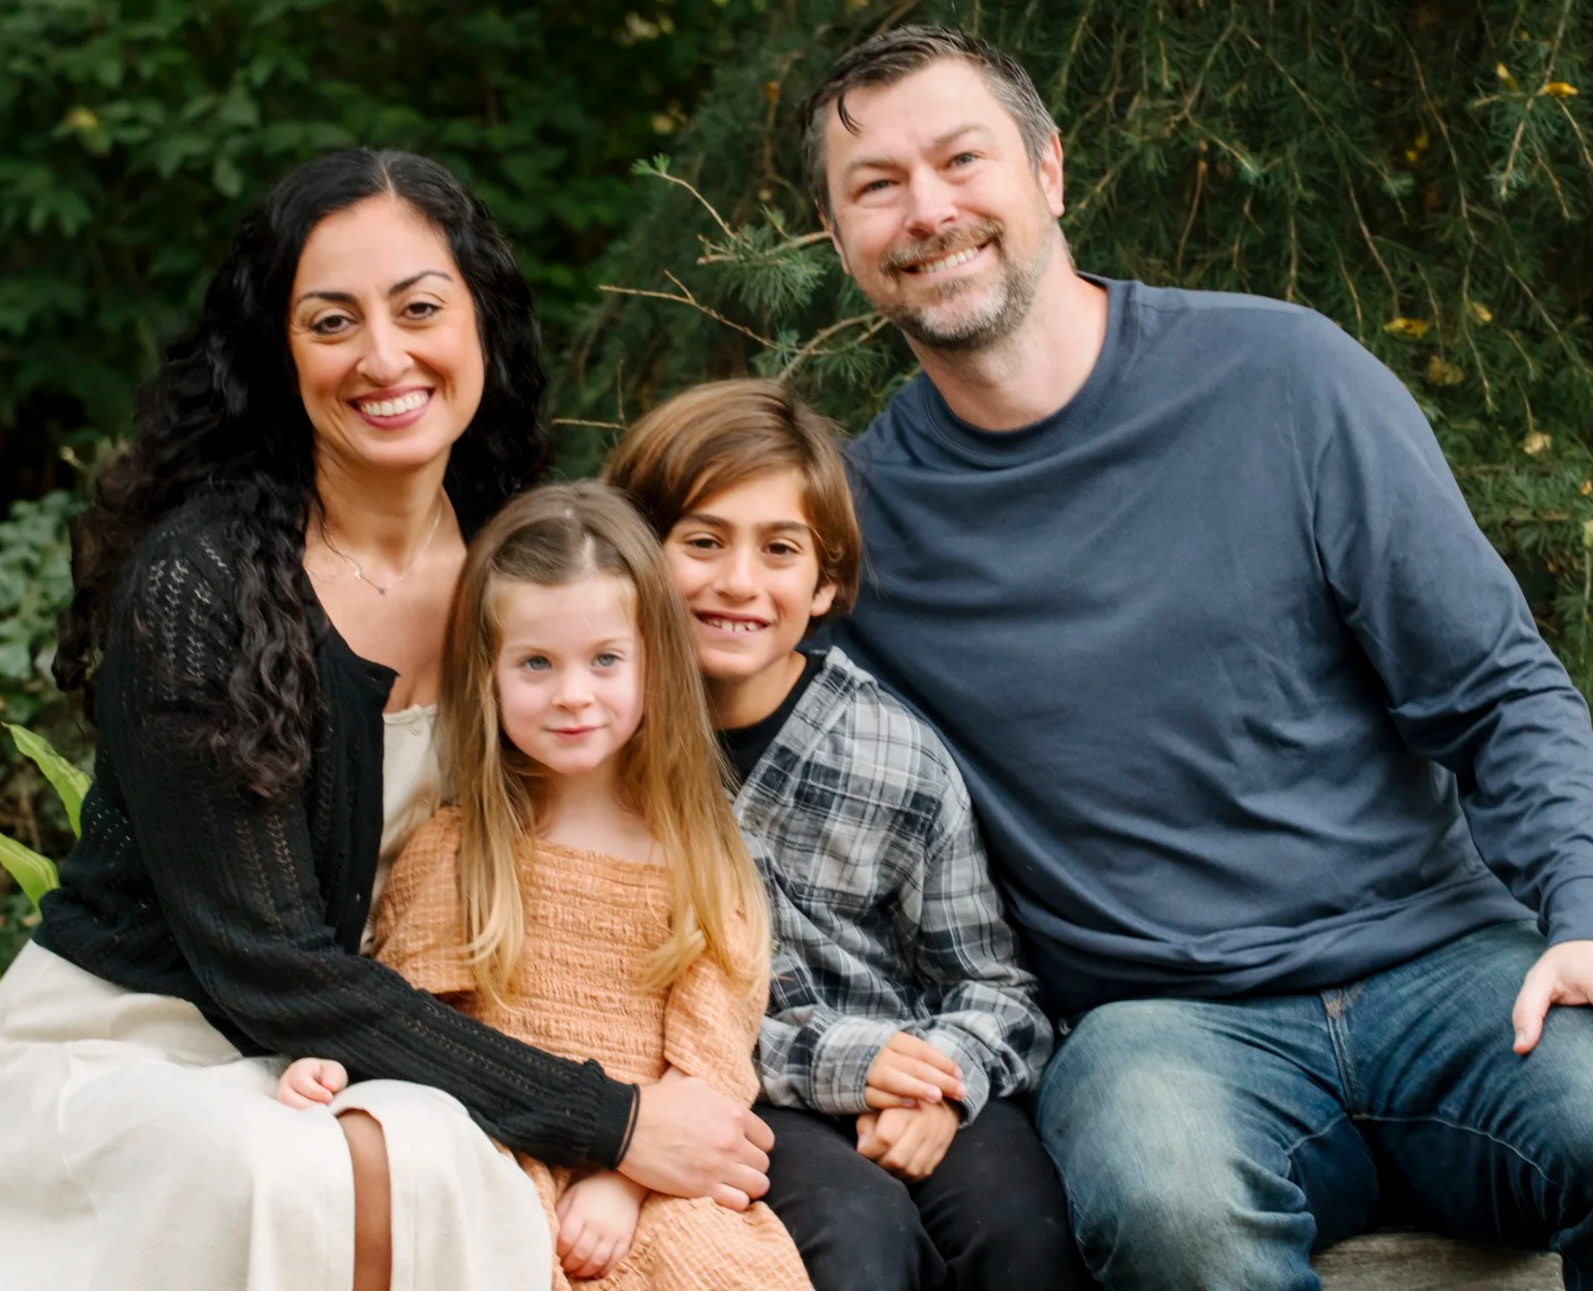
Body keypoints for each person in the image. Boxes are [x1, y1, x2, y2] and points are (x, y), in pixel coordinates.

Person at [0, 150, 773, 1291]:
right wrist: (610, 1117)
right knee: (299, 1171)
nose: (383, 357)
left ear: (480, 325)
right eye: (331, 320)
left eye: (420, 309)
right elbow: (270, 967)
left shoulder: (522, 561)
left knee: (439, 1150)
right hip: (154, 1043)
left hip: (397, 1047)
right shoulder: (203, 589)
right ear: (277, 352)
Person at [799, 24, 1593, 1291]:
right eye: (875, 187)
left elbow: (1498, 690)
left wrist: (1583, 910)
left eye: (961, 159)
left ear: (1049, 170)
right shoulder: (849, 523)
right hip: (1161, 1027)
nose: (928, 210)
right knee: (1165, 1204)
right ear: (840, 240)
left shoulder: (1283, 377)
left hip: (1447, 970)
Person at [603, 378, 1081, 1291]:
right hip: (723, 1091)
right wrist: (836, 1065)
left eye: (780, 549)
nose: (738, 581)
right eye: (701, 541)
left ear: (825, 581)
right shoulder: (601, 749)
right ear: (634, 553)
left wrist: (943, 1080)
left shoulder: (892, 754)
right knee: (852, 1242)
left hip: (910, 1072)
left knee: (1023, 1233)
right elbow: (604, 1003)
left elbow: (999, 990)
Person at [277, 481, 813, 1291]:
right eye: (536, 662)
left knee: (717, 1268)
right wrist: (332, 1066)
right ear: (487, 676)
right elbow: (407, 1016)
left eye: (605, 660)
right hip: (498, 1146)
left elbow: (709, 1066)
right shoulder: (459, 848)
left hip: (655, 1177)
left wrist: (624, 1179)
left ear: (652, 664)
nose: (572, 693)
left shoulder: (700, 859)